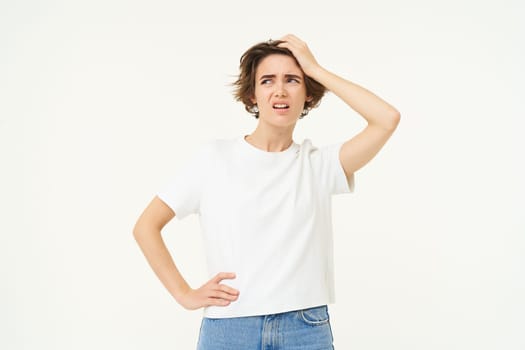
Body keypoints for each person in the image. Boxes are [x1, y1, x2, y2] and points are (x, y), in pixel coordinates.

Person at [133, 34, 400, 349]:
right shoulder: (213, 159)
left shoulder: (319, 165)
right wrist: (184, 294)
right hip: (231, 328)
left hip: (305, 328)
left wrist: (316, 69)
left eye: (293, 80)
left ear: (308, 96)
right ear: (252, 95)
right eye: (268, 81)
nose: (280, 90)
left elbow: (386, 119)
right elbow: (146, 226)